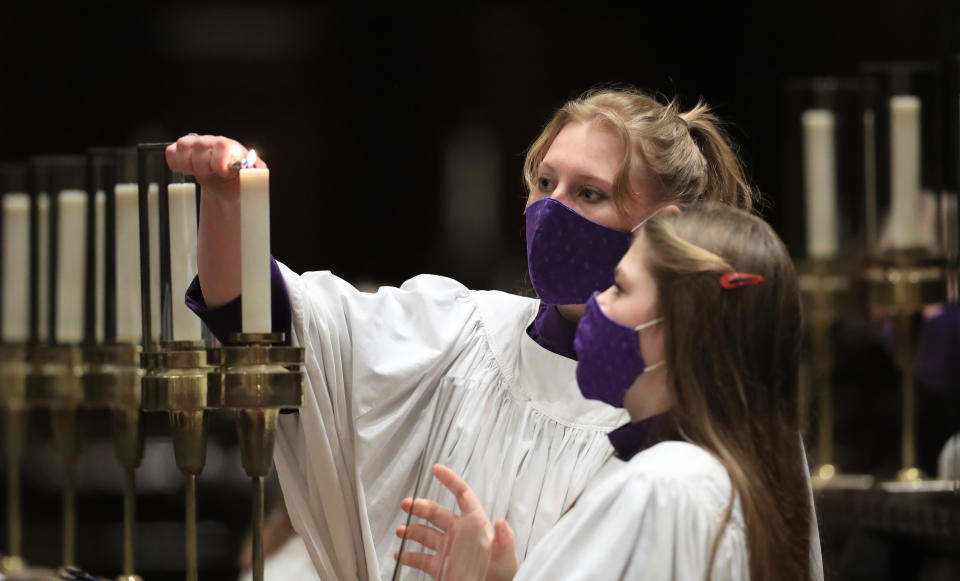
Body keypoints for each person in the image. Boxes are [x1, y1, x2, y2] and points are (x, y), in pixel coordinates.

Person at [166, 88, 754, 580]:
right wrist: (226, 206)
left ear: (664, 229)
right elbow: (261, 331)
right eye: (544, 183)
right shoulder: (459, 333)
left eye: (589, 193)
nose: (551, 211)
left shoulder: (688, 422)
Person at [397, 204, 823, 581]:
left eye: (620, 288)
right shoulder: (719, 476)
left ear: (680, 329)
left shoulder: (660, 487)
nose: (598, 302)